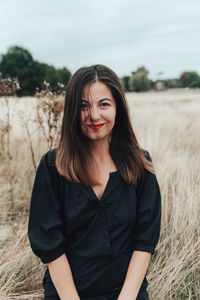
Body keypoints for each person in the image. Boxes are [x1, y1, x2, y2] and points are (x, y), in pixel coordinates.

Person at [28, 64, 162, 300]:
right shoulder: (52, 167)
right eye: (83, 106)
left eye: (104, 104)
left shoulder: (140, 164)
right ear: (71, 110)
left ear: (118, 107)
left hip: (126, 293)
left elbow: (144, 241)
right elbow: (50, 245)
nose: (94, 115)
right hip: (66, 294)